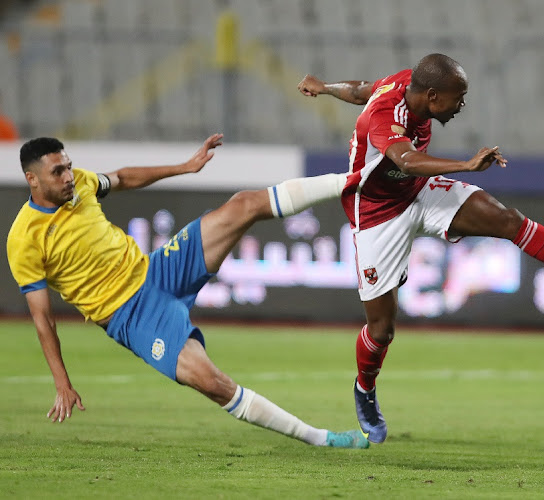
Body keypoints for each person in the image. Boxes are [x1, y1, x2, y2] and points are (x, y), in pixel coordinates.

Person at [297, 53, 544, 444]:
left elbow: (362, 89)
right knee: (382, 329)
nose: (462, 105)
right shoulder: (386, 118)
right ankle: (365, 390)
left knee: (509, 220)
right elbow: (406, 160)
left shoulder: (408, 81)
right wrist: (466, 165)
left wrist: (326, 87)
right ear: (433, 97)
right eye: (459, 97)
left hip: (417, 191)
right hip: (375, 212)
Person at [6, 133, 369, 449]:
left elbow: (122, 178)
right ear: (32, 179)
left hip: (157, 270)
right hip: (131, 315)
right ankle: (320, 437)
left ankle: (354, 180)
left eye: (69, 166)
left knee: (242, 204)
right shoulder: (24, 239)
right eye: (58, 171)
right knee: (212, 382)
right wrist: (62, 384)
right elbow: (43, 320)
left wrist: (186, 166)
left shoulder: (81, 185)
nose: (68, 176)